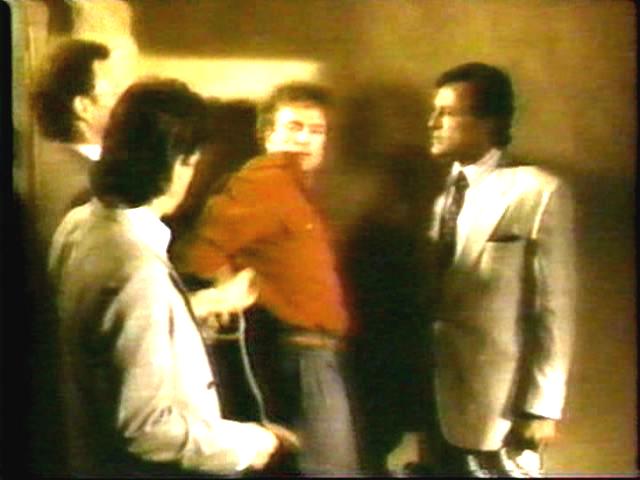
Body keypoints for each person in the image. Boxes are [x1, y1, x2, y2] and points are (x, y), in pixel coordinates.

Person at [48, 79, 285, 476]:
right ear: (174, 163)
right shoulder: (136, 269)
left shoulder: (80, 226)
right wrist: (250, 443)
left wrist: (197, 310)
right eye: (192, 163)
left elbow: (106, 340)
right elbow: (148, 428)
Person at [170, 82, 360, 475]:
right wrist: (232, 290)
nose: (304, 139)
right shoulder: (265, 180)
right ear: (268, 135)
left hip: (312, 354)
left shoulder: (296, 188)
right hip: (299, 353)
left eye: (316, 130)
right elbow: (197, 253)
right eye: (293, 127)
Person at [406, 62, 576, 476]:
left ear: (489, 122)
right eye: (434, 112)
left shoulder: (536, 191)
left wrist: (541, 407)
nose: (432, 123)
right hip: (433, 395)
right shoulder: (434, 197)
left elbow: (554, 310)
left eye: (447, 113)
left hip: (498, 404)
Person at [30, 38, 122, 246]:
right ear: (83, 107)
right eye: (116, 95)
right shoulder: (93, 187)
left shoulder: (42, 165)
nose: (125, 105)